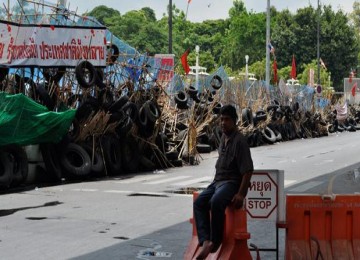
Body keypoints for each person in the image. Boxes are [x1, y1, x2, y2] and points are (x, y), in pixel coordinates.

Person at [193, 104, 254, 259]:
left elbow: (247, 170)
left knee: (216, 201)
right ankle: (205, 240)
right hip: (218, 181)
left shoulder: (240, 141)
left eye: (226, 120)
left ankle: (215, 241)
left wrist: (241, 194)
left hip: (231, 182)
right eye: (221, 120)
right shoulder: (223, 139)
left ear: (234, 121)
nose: (223, 123)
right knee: (199, 202)